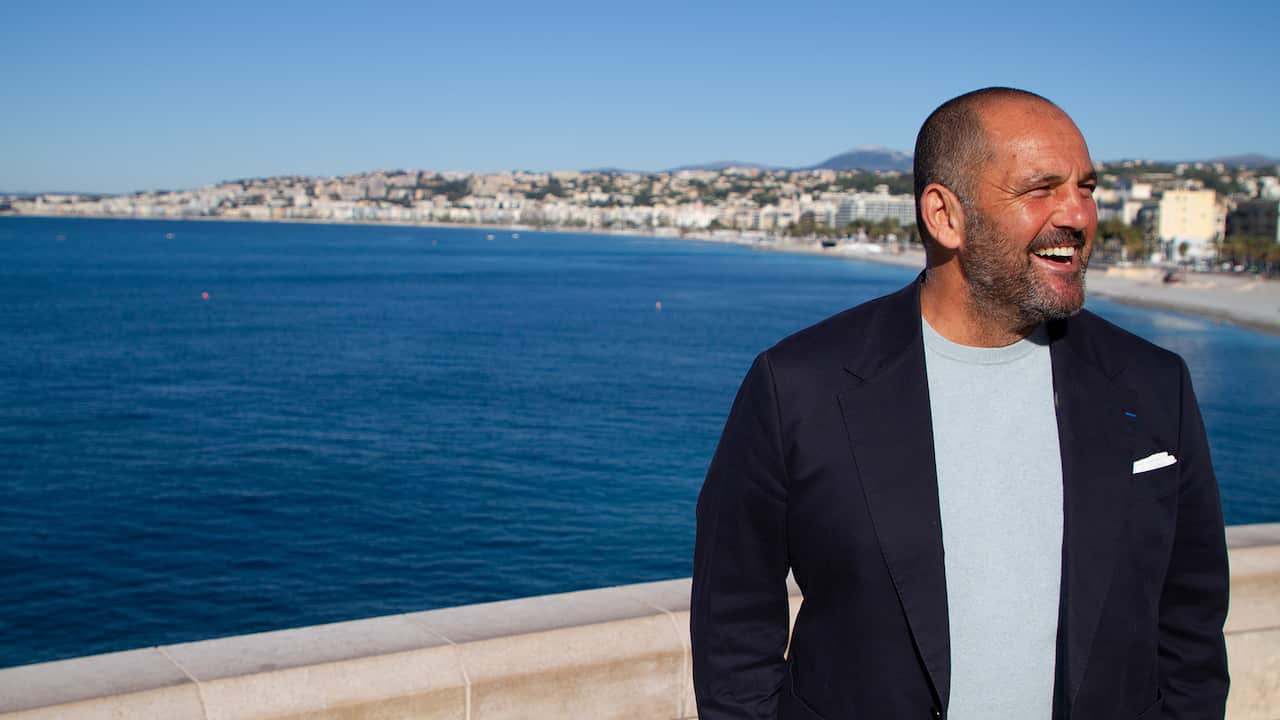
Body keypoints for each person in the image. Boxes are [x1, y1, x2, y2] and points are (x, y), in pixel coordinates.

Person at [690, 88, 1229, 719]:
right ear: (945, 216)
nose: (1079, 216)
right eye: (1041, 189)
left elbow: (1191, 625)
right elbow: (734, 628)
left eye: (1086, 187)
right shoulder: (799, 386)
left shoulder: (1152, 383)